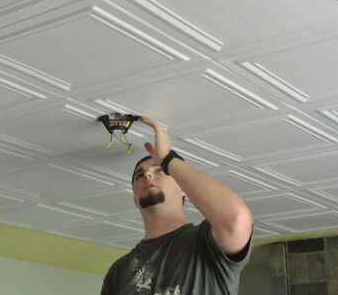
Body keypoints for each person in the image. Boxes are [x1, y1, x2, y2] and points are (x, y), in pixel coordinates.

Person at [100, 116, 253, 295]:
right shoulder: (119, 270)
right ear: (135, 199)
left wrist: (167, 159)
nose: (147, 176)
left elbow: (236, 218)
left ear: (183, 187)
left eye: (159, 171)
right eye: (139, 176)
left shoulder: (206, 242)